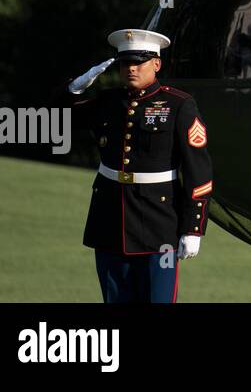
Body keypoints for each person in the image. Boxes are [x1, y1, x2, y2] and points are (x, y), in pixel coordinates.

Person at [62, 28, 213, 303]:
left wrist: (193, 227)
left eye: (138, 62)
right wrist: (74, 90)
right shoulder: (108, 102)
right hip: (110, 221)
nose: (130, 69)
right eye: (125, 63)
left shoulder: (179, 105)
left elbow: (198, 171)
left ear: (156, 63)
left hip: (159, 225)